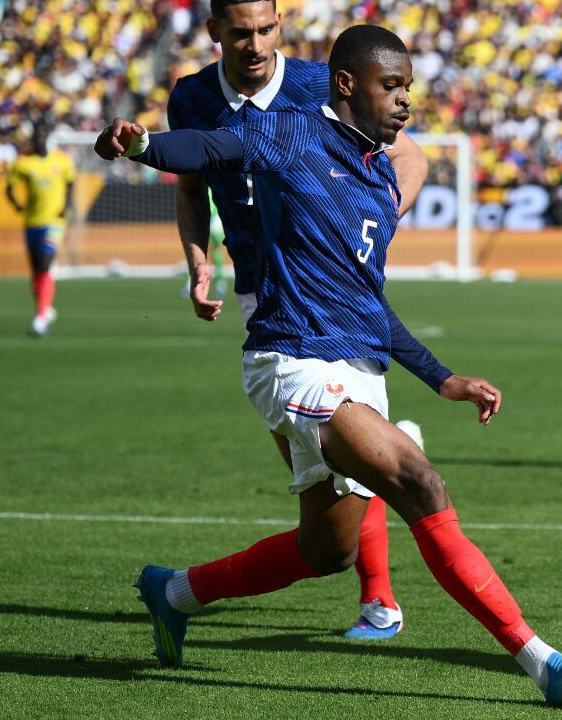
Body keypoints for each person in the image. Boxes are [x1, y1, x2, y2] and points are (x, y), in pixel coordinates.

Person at [94, 24, 562, 705]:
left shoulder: (375, 180)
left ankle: (174, 593)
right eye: (390, 85)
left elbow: (369, 303)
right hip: (294, 359)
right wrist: (142, 145)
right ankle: (546, 665)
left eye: (408, 87)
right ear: (346, 84)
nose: (405, 100)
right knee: (419, 481)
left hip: (357, 366)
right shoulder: (290, 133)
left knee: (328, 550)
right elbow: (209, 148)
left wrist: (442, 378)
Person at [168, 0, 432, 639]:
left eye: (267, 29)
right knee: (314, 464)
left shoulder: (321, 83)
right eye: (241, 33)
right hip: (261, 295)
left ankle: (379, 598)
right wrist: (198, 262)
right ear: (215, 33)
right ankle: (181, 592)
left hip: (327, 289)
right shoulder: (193, 98)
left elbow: (413, 159)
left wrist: (370, 218)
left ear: (280, 25)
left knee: (346, 455)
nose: (256, 44)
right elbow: (190, 186)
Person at [5, 123, 74, 337]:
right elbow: (9, 188)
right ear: (33, 140)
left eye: (44, 136)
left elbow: (70, 184)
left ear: (48, 138)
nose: (40, 140)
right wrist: (17, 205)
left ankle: (41, 317)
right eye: (37, 137)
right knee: (36, 271)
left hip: (55, 223)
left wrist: (66, 206)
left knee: (45, 265)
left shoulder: (62, 160)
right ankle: (44, 308)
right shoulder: (24, 163)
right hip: (32, 222)